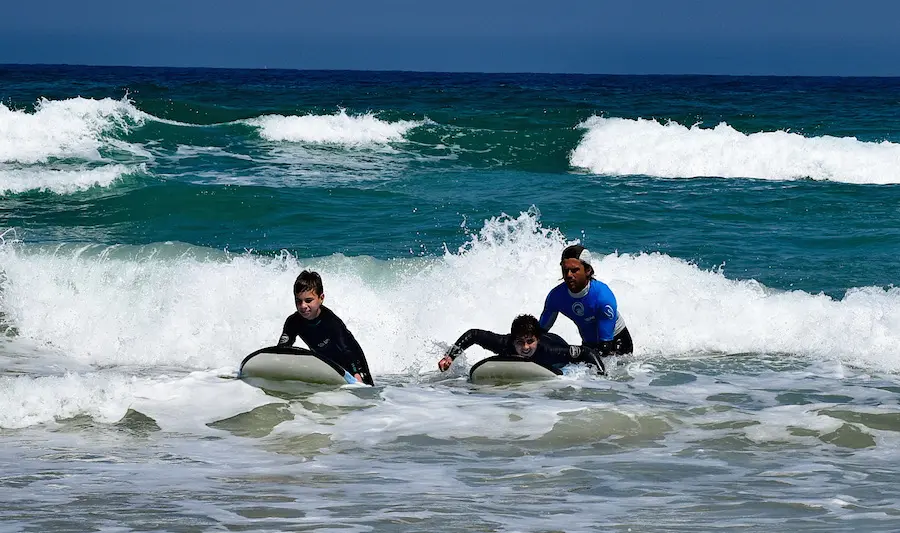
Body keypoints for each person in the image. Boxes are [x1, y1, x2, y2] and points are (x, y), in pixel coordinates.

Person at [278, 270, 374, 385]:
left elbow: (346, 349)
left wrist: (356, 374)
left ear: (321, 298)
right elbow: (282, 349)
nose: (303, 306)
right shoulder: (293, 322)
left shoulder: (330, 321)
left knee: (366, 392)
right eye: (298, 301)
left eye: (308, 300)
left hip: (353, 360)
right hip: (327, 364)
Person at [539, 244, 633, 358]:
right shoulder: (556, 296)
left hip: (617, 342)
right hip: (588, 345)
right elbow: (540, 332)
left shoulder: (603, 297)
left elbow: (605, 346)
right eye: (565, 270)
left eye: (574, 270)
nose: (569, 275)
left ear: (588, 270)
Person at [437, 314, 604, 374]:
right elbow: (474, 334)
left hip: (559, 362)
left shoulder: (551, 350)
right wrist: (450, 357)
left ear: (537, 339)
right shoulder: (504, 343)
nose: (525, 347)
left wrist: (601, 376)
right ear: (512, 339)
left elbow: (586, 352)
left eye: (530, 342)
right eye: (520, 342)